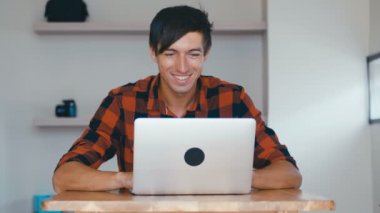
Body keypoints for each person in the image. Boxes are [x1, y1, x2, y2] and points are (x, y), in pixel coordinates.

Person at [52, 5, 302, 193]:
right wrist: (127, 179)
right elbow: (64, 176)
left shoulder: (231, 98)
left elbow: (289, 174)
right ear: (154, 53)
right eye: (170, 53)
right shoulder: (123, 101)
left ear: (206, 54)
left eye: (193, 54)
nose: (182, 67)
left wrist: (236, 177)